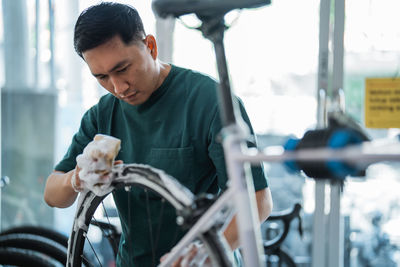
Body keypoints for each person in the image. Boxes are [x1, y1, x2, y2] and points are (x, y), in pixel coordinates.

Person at [44, 2, 272, 266]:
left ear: (150, 46)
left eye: (122, 69)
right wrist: (76, 179)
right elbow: (53, 194)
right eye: (102, 77)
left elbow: (258, 201)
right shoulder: (102, 115)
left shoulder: (210, 101)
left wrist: (204, 254)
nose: (118, 87)